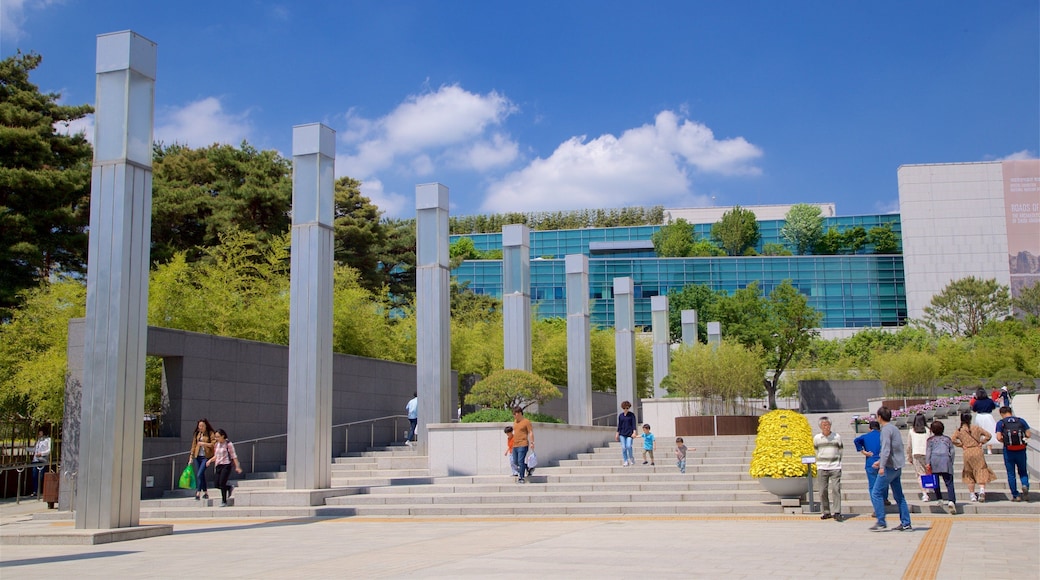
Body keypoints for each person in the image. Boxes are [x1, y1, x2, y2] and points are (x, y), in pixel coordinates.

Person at [869, 406, 912, 532]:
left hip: (889, 467)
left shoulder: (886, 430)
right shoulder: (894, 428)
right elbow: (894, 449)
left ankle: (881, 521)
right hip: (897, 466)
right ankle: (906, 523)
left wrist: (882, 466)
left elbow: (886, 449)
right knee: (899, 496)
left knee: (876, 493)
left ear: (880, 417)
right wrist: (880, 461)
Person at [950, 411, 996, 503]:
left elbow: (952, 439)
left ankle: (972, 495)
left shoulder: (959, 430)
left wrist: (961, 445)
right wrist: (981, 442)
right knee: (981, 470)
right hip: (977, 450)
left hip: (967, 451)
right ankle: (982, 491)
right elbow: (989, 435)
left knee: (969, 473)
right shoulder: (976, 428)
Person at [995, 406, 1031, 502]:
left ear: (1001, 414)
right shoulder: (1021, 421)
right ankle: (1025, 485)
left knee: (1011, 473)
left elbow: (998, 437)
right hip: (1021, 450)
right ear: (1011, 412)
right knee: (1023, 471)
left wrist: (1005, 441)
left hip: (1009, 450)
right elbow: (1028, 434)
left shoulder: (1001, 423)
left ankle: (1016, 495)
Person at [853, 420, 889, 515]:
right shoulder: (883, 436)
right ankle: (884, 498)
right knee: (884, 482)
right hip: (883, 462)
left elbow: (856, 440)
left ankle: (877, 508)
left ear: (870, 428)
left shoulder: (866, 436)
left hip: (871, 461)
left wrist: (862, 451)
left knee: (873, 486)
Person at [813, 416, 844, 522]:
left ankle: (837, 512)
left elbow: (841, 450)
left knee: (836, 489)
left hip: (835, 466)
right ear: (820, 426)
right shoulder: (817, 438)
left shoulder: (837, 437)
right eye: (824, 425)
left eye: (828, 425)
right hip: (822, 466)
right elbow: (816, 451)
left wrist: (838, 462)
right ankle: (826, 511)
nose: (826, 427)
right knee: (822, 490)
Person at [925, 420, 957, 515]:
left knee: (935, 482)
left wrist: (927, 463)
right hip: (945, 460)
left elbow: (928, 452)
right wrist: (951, 461)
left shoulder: (930, 440)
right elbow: (952, 451)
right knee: (949, 482)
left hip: (934, 460)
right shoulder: (947, 439)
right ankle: (951, 500)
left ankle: (939, 498)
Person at [207, 428, 242, 507]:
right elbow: (216, 456)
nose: (216, 438)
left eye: (218, 437)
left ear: (223, 436)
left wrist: (237, 467)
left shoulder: (228, 444)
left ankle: (224, 501)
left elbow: (234, 456)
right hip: (218, 465)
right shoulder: (217, 444)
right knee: (216, 484)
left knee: (222, 483)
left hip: (226, 465)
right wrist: (210, 461)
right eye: (216, 437)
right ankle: (229, 488)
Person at [906, 413, 932, 501]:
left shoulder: (912, 431)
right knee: (927, 472)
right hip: (927, 453)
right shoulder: (928, 430)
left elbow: (909, 446)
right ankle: (928, 489)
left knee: (920, 474)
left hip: (916, 454)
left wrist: (909, 456)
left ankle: (924, 494)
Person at [188, 418, 215, 501]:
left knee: (199, 474)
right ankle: (206, 493)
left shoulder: (210, 433)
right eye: (199, 426)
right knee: (201, 475)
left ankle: (198, 492)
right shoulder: (197, 434)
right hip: (197, 457)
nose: (201, 427)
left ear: (206, 426)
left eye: (202, 426)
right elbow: (193, 445)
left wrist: (204, 444)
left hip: (206, 457)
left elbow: (214, 444)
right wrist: (191, 457)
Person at [971, 387, 998, 454]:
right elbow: (993, 407)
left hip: (979, 416)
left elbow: (974, 409)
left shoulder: (977, 402)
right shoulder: (989, 401)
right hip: (988, 416)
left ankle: (979, 447)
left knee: (979, 432)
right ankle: (989, 449)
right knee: (989, 431)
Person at [511, 407, 534, 484]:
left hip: (523, 444)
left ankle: (521, 477)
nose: (514, 416)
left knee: (520, 461)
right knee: (515, 461)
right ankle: (527, 468)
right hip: (515, 445)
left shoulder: (526, 422)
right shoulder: (515, 422)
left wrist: (532, 442)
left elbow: (530, 432)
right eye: (513, 414)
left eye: (515, 414)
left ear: (520, 413)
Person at [29, 428, 51, 497]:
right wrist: (27, 449)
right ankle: (35, 490)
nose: (39, 433)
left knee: (41, 476)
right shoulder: (38, 440)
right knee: (34, 476)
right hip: (35, 460)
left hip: (42, 460)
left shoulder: (48, 440)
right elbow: (35, 449)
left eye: (40, 432)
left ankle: (42, 490)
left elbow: (49, 450)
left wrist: (41, 454)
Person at [616, 401, 637, 467]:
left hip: (629, 434)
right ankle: (625, 461)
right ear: (623, 408)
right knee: (623, 447)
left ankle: (631, 457)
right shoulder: (621, 416)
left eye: (627, 408)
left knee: (628, 446)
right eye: (625, 408)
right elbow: (619, 425)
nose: (626, 409)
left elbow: (634, 424)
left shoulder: (631, 415)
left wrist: (634, 432)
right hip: (622, 433)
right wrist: (617, 433)